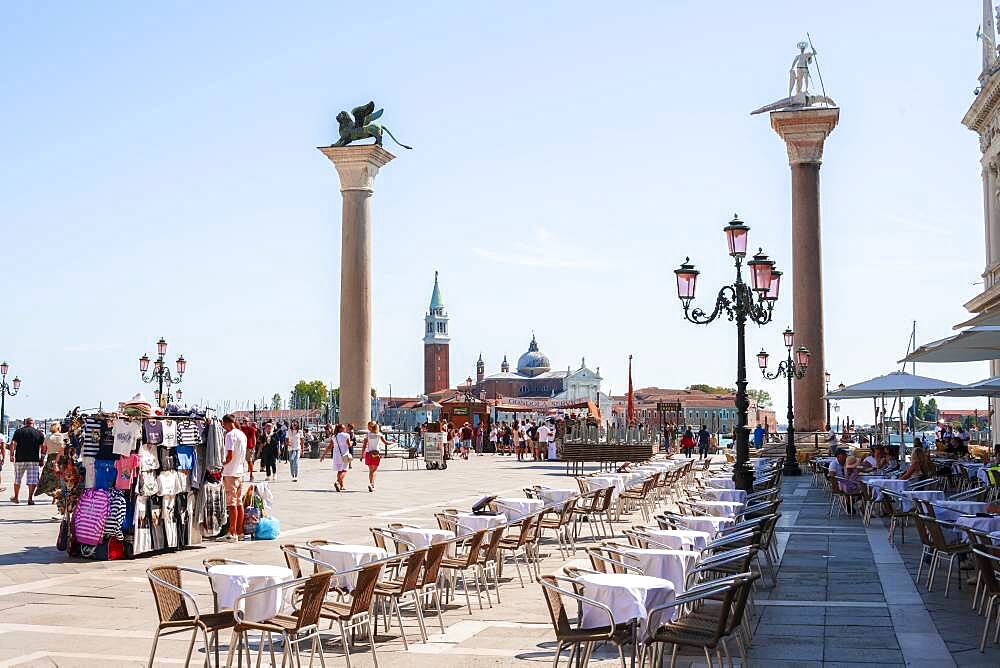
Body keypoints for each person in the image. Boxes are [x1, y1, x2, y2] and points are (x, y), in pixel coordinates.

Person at [220, 414, 247, 542]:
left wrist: (221, 464)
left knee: (231, 504)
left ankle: (232, 532)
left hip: (230, 472)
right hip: (240, 471)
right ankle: (240, 531)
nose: (223, 427)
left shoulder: (230, 435)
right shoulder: (242, 434)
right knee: (239, 502)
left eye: (223, 424)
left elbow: (229, 456)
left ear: (227, 423)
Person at [9, 417, 44, 505]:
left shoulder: (18, 431)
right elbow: (42, 447)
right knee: (32, 480)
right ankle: (30, 499)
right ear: (33, 423)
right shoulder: (39, 433)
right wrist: (42, 458)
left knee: (17, 478)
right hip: (33, 459)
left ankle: (16, 497)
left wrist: (11, 455)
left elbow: (13, 443)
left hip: (20, 459)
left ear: (25, 423)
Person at [365, 422, 390, 492]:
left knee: (370, 471)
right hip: (376, 454)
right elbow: (386, 443)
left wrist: (362, 455)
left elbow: (364, 444)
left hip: (368, 453)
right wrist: (392, 442)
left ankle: (371, 483)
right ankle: (372, 484)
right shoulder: (379, 434)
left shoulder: (368, 434)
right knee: (374, 470)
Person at [239, 417, 258, 482]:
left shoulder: (251, 429)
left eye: (246, 421)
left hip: (249, 447)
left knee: (249, 461)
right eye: (244, 421)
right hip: (241, 447)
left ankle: (251, 475)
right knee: (241, 462)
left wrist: (253, 447)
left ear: (248, 422)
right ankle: (241, 476)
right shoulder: (240, 429)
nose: (245, 422)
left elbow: (254, 438)